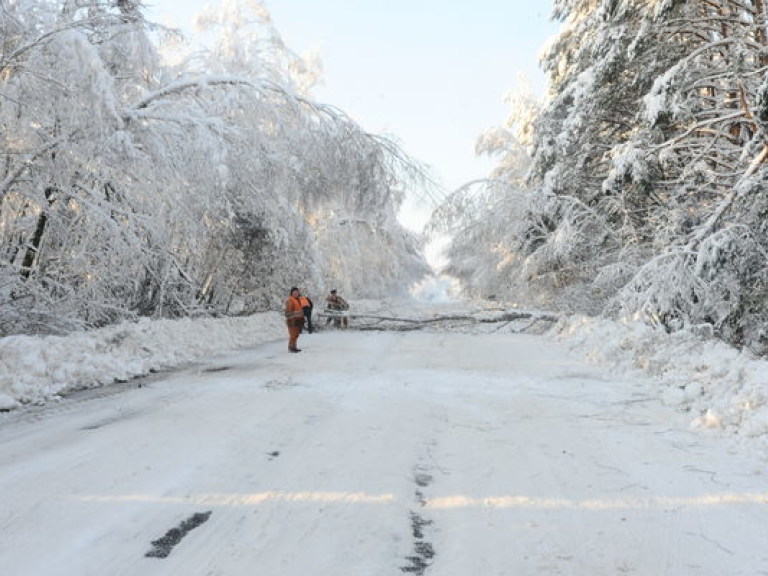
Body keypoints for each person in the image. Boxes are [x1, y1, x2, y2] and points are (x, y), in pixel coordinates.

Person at [284, 287, 304, 352]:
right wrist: (293, 318)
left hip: (298, 320)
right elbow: (289, 312)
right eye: (294, 293)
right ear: (291, 293)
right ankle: (291, 347)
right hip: (292, 320)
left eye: (297, 292)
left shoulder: (297, 300)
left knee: (296, 334)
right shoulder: (290, 300)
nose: (296, 294)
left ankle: (294, 347)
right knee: (293, 334)